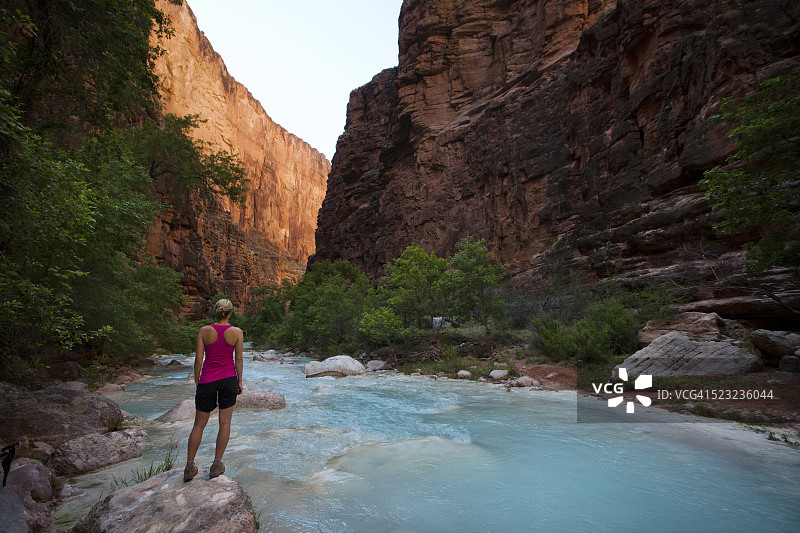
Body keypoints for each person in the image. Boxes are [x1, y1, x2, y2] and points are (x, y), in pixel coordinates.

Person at [184, 299, 244, 482]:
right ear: (230, 312)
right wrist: (239, 381)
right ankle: (217, 464)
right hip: (228, 380)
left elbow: (198, 359)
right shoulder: (237, 332)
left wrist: (197, 379)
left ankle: (189, 466)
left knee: (198, 425)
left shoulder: (204, 331)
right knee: (224, 423)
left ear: (215, 312)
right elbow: (238, 360)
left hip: (207, 380)